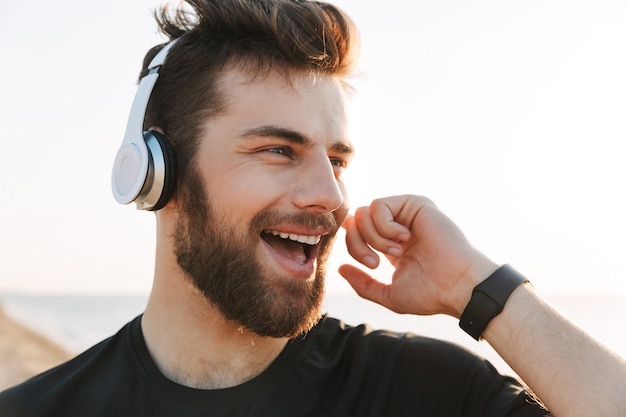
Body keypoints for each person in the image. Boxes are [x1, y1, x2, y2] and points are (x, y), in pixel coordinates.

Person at [1, 0, 625, 415]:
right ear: (157, 173)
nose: (330, 195)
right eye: (278, 149)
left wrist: (476, 288)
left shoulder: (418, 391)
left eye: (338, 160)